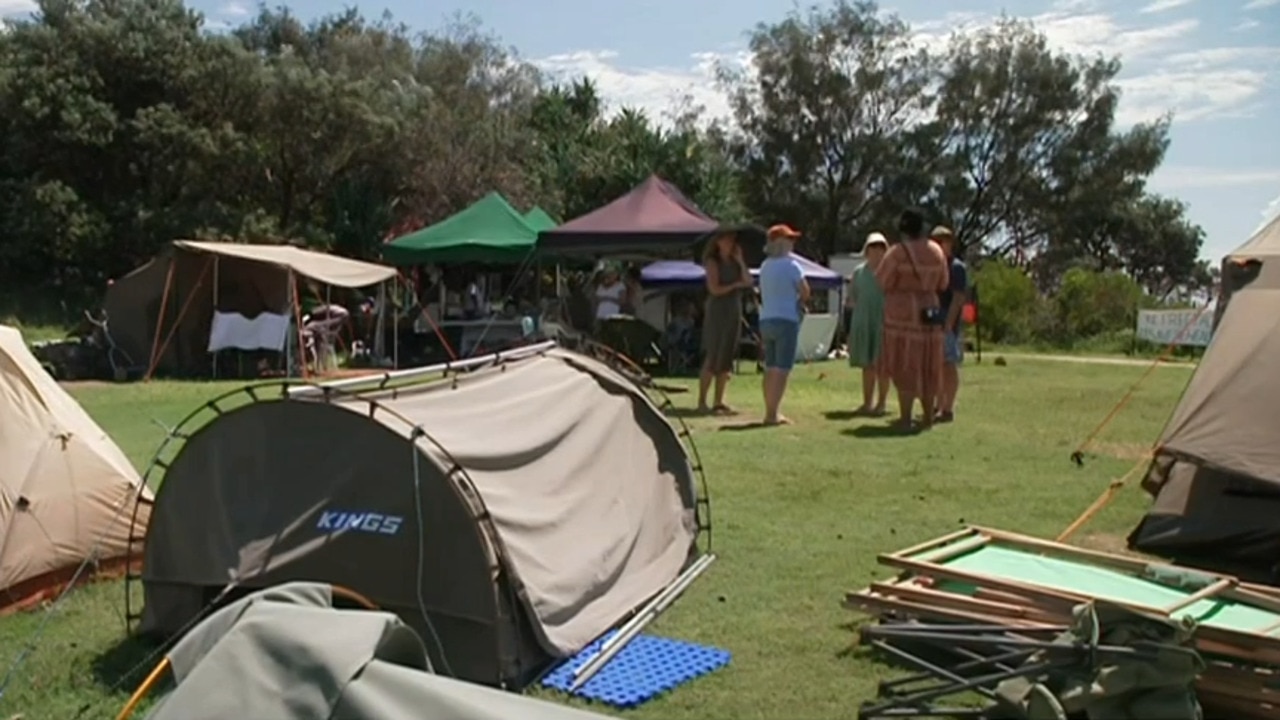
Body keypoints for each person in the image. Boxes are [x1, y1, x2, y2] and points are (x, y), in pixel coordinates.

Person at [876, 208, 949, 432]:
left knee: (904, 365)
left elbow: (882, 281)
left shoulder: (897, 253)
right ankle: (928, 417)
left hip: (902, 315)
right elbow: (944, 283)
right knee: (929, 365)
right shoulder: (936, 251)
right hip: (929, 313)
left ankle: (906, 418)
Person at [757, 224, 810, 426]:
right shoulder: (792, 265)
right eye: (789, 239)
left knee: (770, 367)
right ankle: (773, 414)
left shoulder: (765, 266)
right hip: (786, 319)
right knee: (782, 368)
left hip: (766, 318)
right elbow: (805, 291)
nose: (792, 243)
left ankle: (768, 410)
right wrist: (799, 303)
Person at [697, 230, 752, 414]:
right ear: (718, 242)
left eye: (733, 240)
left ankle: (719, 401)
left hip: (733, 311)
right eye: (727, 240)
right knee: (713, 354)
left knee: (726, 355)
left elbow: (748, 281)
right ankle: (702, 401)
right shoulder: (713, 262)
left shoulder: (735, 262)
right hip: (717, 311)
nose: (730, 243)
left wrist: (741, 260)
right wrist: (735, 285)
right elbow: (714, 289)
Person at [849, 232, 890, 417]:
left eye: (881, 247)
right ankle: (867, 403)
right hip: (864, 321)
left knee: (882, 365)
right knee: (867, 365)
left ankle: (882, 403)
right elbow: (852, 298)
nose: (877, 251)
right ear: (867, 250)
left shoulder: (890, 271)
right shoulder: (858, 272)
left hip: (884, 321)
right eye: (873, 247)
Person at [931, 226, 968, 423]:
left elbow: (958, 297)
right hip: (932, 323)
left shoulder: (956, 267)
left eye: (940, 242)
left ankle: (948, 408)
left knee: (948, 363)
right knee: (935, 365)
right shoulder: (933, 268)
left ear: (948, 244)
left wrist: (948, 323)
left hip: (947, 325)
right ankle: (937, 404)